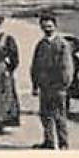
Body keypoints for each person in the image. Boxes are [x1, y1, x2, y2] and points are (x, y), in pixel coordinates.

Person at [31, 12, 75, 149]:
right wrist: (35, 85)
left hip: (58, 86)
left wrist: (64, 85)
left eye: (50, 26)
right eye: (44, 26)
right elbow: (35, 66)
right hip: (44, 87)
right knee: (45, 115)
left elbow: (67, 67)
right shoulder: (40, 45)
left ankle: (63, 143)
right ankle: (49, 142)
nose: (47, 29)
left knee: (59, 116)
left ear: (55, 26)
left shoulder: (62, 44)